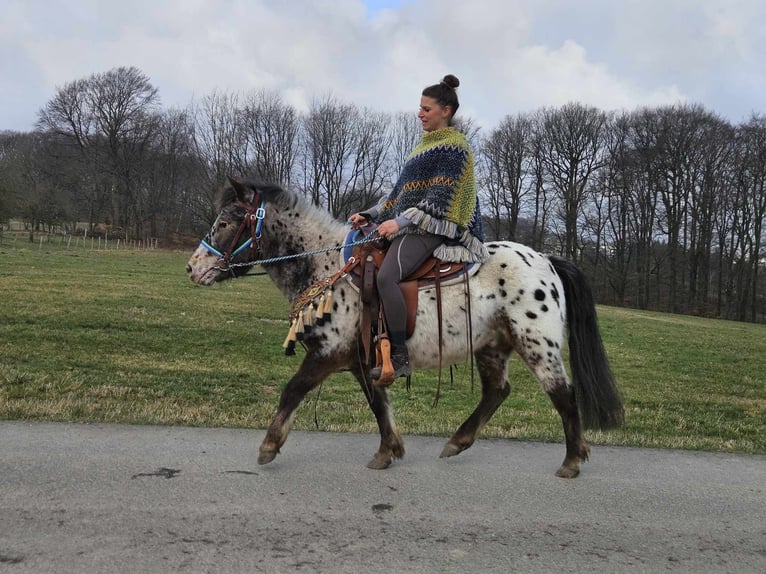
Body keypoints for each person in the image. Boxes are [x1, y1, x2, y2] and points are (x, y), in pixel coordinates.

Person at [348, 74, 489, 384]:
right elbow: (399, 194)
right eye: (420, 108)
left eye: (426, 109)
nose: (420, 114)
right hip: (412, 225)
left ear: (446, 111)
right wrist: (369, 213)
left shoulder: (455, 147)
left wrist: (398, 223)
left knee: (387, 276)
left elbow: (439, 198)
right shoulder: (422, 147)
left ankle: (399, 357)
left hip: (436, 228)